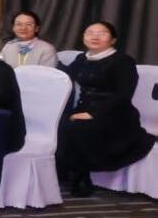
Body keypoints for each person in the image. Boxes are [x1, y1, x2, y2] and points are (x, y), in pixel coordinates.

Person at [56, 21, 154, 197]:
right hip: (84, 107)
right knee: (59, 123)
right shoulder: (82, 58)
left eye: (102, 33)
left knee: (78, 127)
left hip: (116, 113)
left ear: (113, 39)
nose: (95, 36)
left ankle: (82, 175)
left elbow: (124, 95)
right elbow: (65, 75)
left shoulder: (123, 61)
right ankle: (65, 171)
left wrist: (93, 114)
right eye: (90, 33)